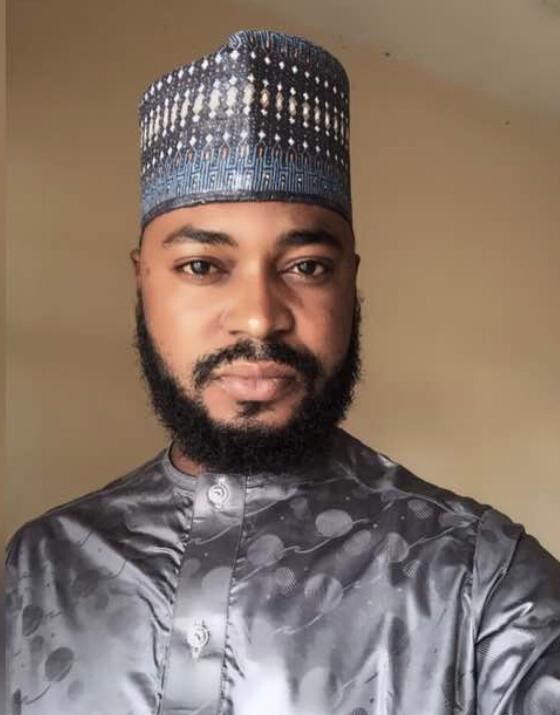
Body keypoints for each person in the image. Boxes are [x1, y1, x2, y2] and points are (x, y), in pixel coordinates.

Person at [5, 29, 560, 715]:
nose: (260, 318)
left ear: (350, 282)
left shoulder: (485, 586)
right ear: (142, 280)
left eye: (306, 267)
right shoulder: (41, 567)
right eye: (203, 266)